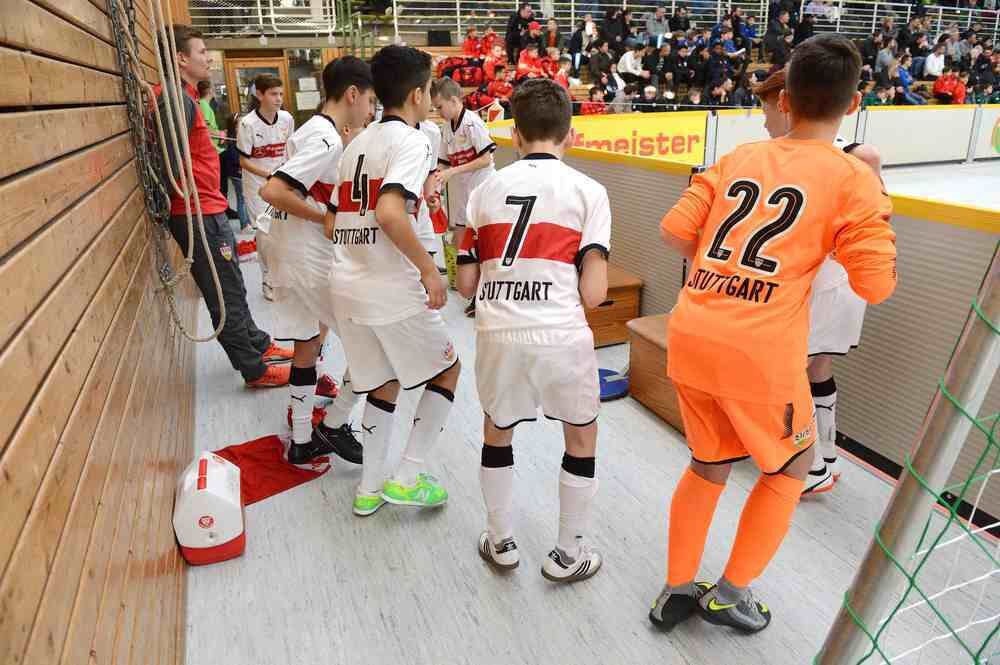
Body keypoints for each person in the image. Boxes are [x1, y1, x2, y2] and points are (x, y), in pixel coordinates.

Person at [649, 34, 895, 634]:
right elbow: (875, 285)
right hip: (760, 353)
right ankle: (731, 594)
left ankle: (676, 588)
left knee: (707, 462)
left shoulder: (737, 158)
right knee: (790, 467)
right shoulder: (852, 177)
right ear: (854, 103)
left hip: (693, 332)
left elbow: (674, 230)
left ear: (784, 98)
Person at [456, 78, 611, 582]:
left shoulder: (483, 191)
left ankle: (501, 540)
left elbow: (465, 284)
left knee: (496, 431)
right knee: (580, 437)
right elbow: (594, 294)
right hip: (561, 334)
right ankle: (568, 553)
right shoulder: (589, 191)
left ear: (515, 134)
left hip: (499, 332)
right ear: (570, 135)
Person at [327, 45, 461, 517]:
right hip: (388, 286)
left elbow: (336, 219)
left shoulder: (356, 143)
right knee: (447, 369)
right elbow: (389, 212)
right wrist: (427, 270)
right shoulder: (413, 141)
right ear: (418, 94)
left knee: (383, 382)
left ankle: (369, 489)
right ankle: (407, 476)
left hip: (346, 283)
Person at [753, 66, 885, 493]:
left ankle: (807, 466)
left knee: (796, 370)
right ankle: (824, 458)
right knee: (816, 367)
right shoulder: (782, 154)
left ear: (787, 104)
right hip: (809, 281)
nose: (765, 121)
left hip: (828, 282)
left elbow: (875, 219)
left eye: (767, 110)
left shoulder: (853, 155)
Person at [156, 25, 291, 388]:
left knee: (233, 285)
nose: (208, 58)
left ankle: (257, 343)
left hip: (209, 208)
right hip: (197, 212)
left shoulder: (186, 98)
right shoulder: (176, 100)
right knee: (224, 294)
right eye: (202, 52)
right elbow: (169, 161)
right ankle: (254, 369)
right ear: (180, 58)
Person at [256, 57, 372, 468]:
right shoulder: (326, 139)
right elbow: (273, 190)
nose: (370, 110)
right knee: (370, 343)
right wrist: (324, 217)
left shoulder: (311, 129)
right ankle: (336, 423)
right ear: (353, 94)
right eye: (370, 100)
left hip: (287, 247)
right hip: (304, 253)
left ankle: (303, 439)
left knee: (306, 342)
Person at [431, 77, 497, 317]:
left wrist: (453, 171)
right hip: (460, 197)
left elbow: (486, 159)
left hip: (481, 192)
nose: (438, 112)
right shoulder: (446, 128)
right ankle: (476, 294)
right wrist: (435, 188)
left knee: (484, 248)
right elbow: (442, 163)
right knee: (462, 246)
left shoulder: (472, 123)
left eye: (440, 107)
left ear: (454, 100)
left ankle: (484, 297)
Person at [237, 74, 295, 301]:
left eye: (280, 94)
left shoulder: (287, 119)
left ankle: (284, 277)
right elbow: (243, 162)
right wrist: (269, 175)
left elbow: (290, 152)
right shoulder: (247, 123)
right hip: (257, 187)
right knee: (266, 234)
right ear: (260, 95)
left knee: (284, 232)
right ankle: (268, 279)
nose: (279, 98)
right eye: (273, 94)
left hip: (282, 184)